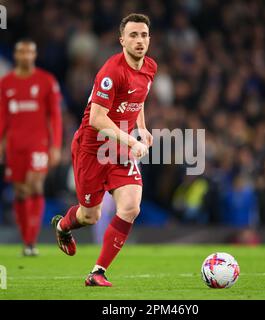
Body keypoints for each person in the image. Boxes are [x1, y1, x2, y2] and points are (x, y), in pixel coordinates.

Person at [51, 13, 157, 287]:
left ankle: (98, 272)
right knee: (90, 215)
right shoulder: (111, 72)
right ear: (122, 40)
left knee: (131, 206)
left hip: (119, 148)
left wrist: (142, 128)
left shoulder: (150, 67)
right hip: (91, 147)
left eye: (144, 35)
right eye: (133, 35)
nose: (139, 40)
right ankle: (63, 226)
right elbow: (97, 119)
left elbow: (139, 96)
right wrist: (132, 140)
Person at [0, 40, 62, 256]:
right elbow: (2, 117)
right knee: (20, 191)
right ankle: (26, 239)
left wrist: (54, 145)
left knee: (35, 185)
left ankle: (31, 240)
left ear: (34, 55)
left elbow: (55, 115)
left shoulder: (46, 81)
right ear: (16, 55)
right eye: (21, 52)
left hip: (39, 143)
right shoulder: (5, 83)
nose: (26, 56)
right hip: (15, 145)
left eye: (30, 52)